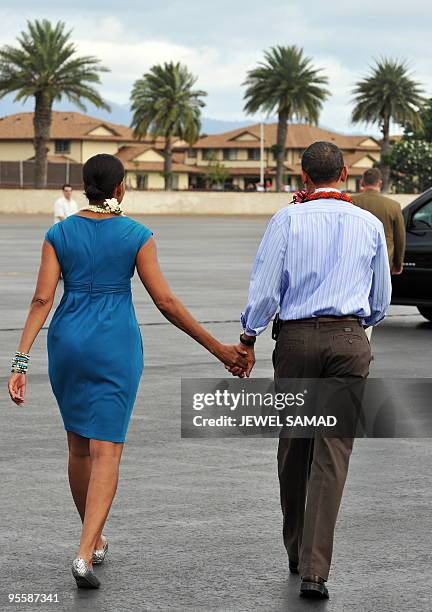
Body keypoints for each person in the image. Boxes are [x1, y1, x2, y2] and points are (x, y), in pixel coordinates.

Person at [7, 153, 248, 590]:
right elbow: (166, 303)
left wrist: (20, 360)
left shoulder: (58, 233)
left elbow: (41, 300)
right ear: (121, 188)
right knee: (108, 452)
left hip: (67, 344)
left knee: (79, 448)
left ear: (85, 186)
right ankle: (84, 552)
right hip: (114, 345)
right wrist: (219, 350)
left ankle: (94, 538)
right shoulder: (136, 234)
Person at [227, 142, 392, 599]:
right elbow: (380, 299)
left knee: (294, 449)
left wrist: (248, 337)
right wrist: (357, 330)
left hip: (296, 341)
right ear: (344, 174)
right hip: (348, 339)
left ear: (304, 176)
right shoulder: (369, 223)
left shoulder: (287, 219)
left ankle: (297, 552)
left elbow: (264, 286)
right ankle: (316, 571)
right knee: (332, 456)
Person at [352, 168, 406, 340]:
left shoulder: (351, 201)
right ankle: (364, 339)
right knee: (373, 301)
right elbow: (400, 238)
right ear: (380, 183)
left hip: (354, 261)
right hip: (383, 263)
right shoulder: (393, 206)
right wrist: (398, 263)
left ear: (362, 182)